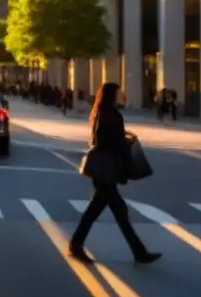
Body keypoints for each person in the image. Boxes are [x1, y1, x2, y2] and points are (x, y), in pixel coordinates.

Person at [69, 82, 161, 265]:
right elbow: (106, 140)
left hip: (101, 170)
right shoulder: (112, 115)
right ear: (112, 95)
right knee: (112, 212)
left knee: (106, 211)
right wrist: (123, 141)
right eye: (119, 93)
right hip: (106, 170)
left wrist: (122, 136)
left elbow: (102, 137)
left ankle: (138, 252)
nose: (121, 96)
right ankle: (139, 253)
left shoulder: (101, 113)